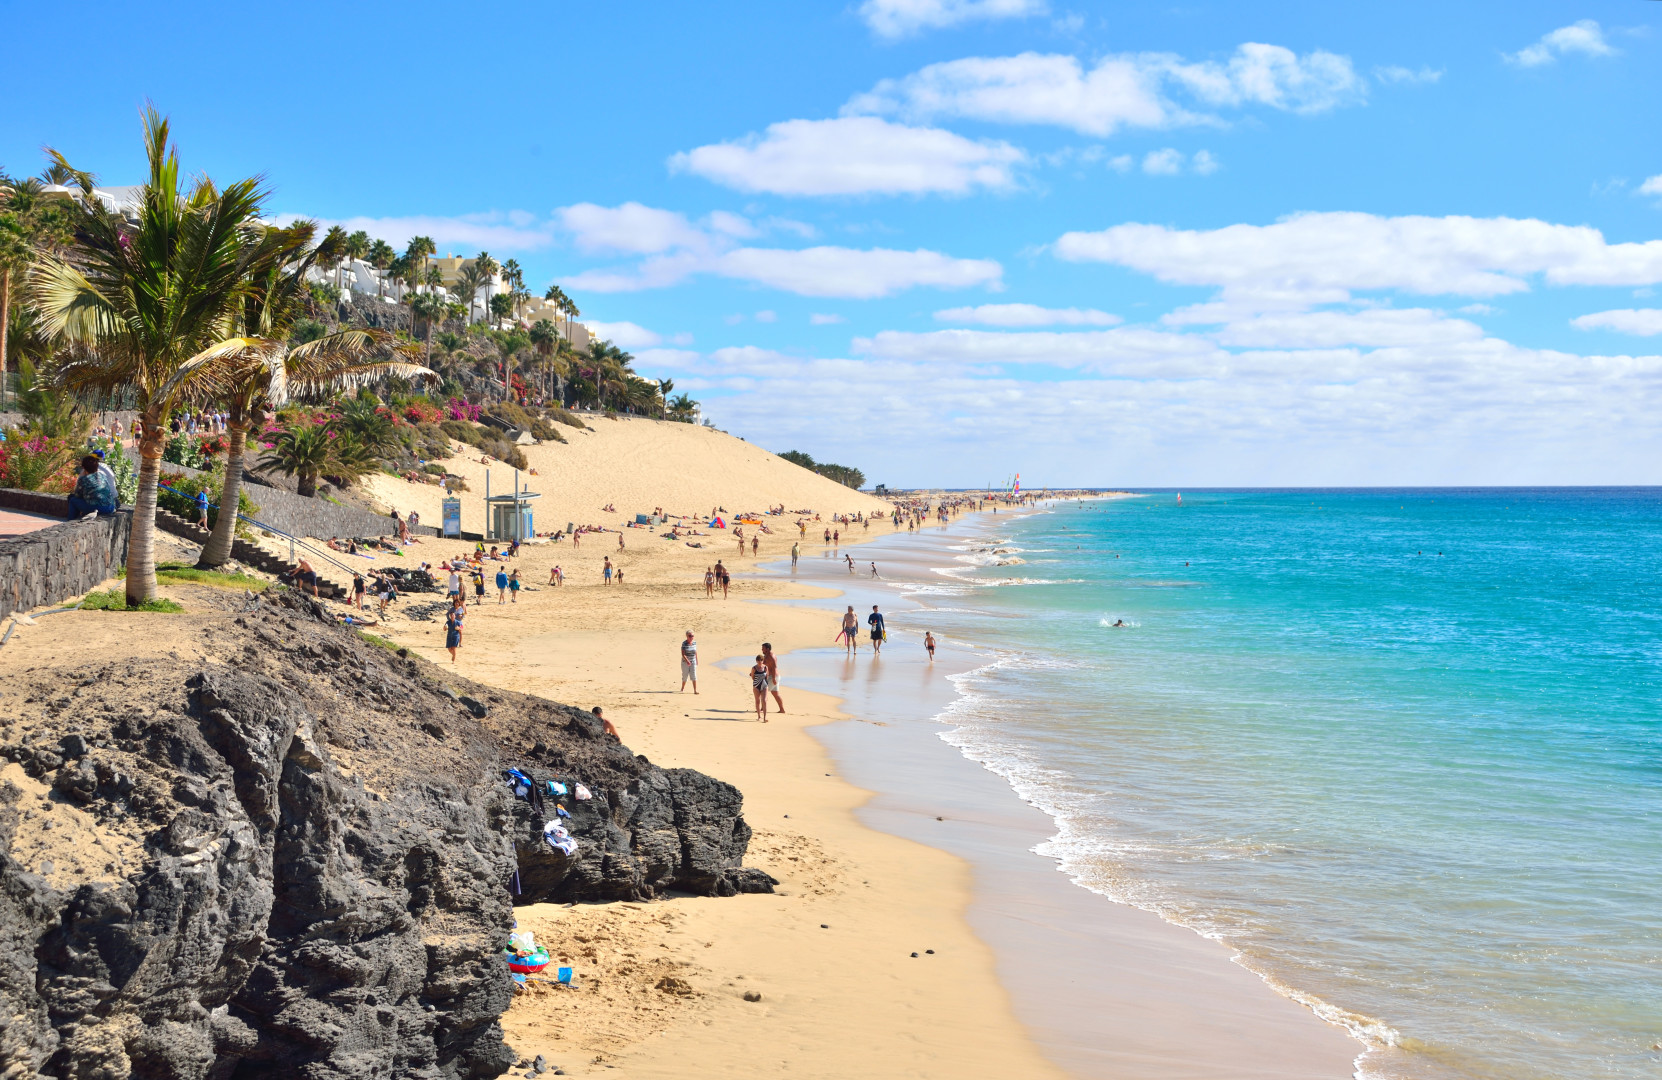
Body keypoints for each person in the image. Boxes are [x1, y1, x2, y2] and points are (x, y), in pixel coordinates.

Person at [761, 642, 785, 714]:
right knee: (775, 694)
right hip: (772, 676)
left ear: (767, 649)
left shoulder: (771, 656)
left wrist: (774, 678)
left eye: (763, 648)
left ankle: (762, 709)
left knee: (763, 691)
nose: (762, 650)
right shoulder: (766, 655)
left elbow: (774, 667)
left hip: (773, 677)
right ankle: (782, 710)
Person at [750, 655, 770, 722]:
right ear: (756, 661)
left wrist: (764, 682)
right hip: (756, 686)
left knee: (764, 700)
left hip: (764, 685)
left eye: (761, 660)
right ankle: (759, 716)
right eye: (758, 660)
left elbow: (767, 676)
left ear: (763, 660)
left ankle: (765, 717)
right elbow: (752, 677)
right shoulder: (754, 668)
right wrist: (757, 681)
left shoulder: (765, 667)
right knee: (757, 701)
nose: (760, 661)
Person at [444, 596, 465, 662]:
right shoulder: (452, 609)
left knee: (460, 632)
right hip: (452, 623)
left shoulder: (461, 609)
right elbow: (447, 614)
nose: (457, 604)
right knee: (450, 647)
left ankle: (460, 643)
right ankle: (454, 654)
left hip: (459, 622)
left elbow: (463, 615)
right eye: (456, 603)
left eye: (458, 603)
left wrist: (461, 616)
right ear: (454, 603)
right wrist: (449, 620)